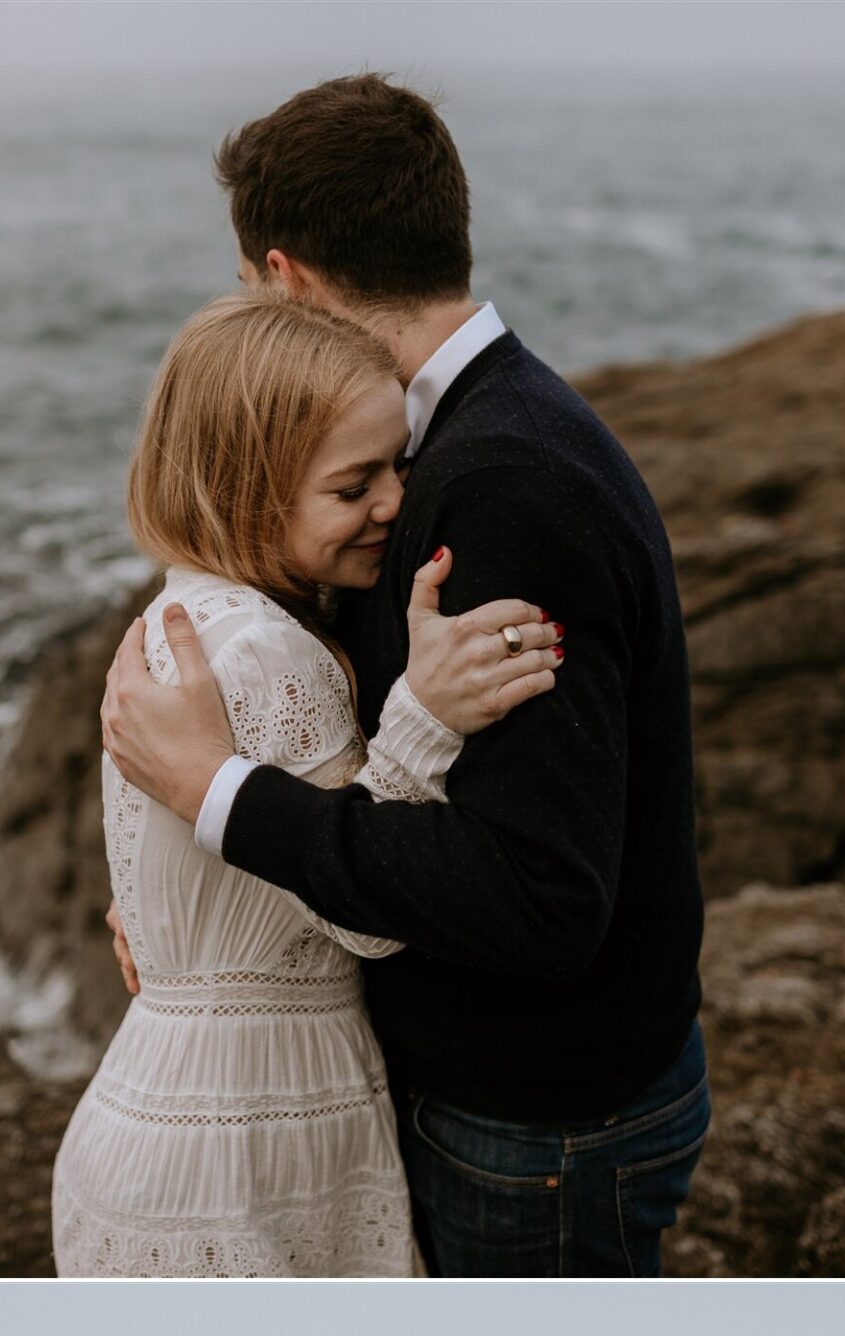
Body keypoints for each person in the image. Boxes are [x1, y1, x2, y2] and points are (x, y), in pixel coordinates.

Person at [101, 74, 709, 1277]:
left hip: (534, 1118)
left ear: (287, 279)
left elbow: (536, 895)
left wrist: (216, 801)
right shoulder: (475, 436)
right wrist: (188, 904)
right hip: (538, 1098)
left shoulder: (494, 485)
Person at [51, 296, 559, 1276]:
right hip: (250, 1142)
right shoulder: (273, 654)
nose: (396, 502)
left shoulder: (179, 615)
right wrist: (426, 712)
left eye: (398, 465)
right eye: (351, 484)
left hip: (150, 1110)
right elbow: (366, 918)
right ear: (246, 493)